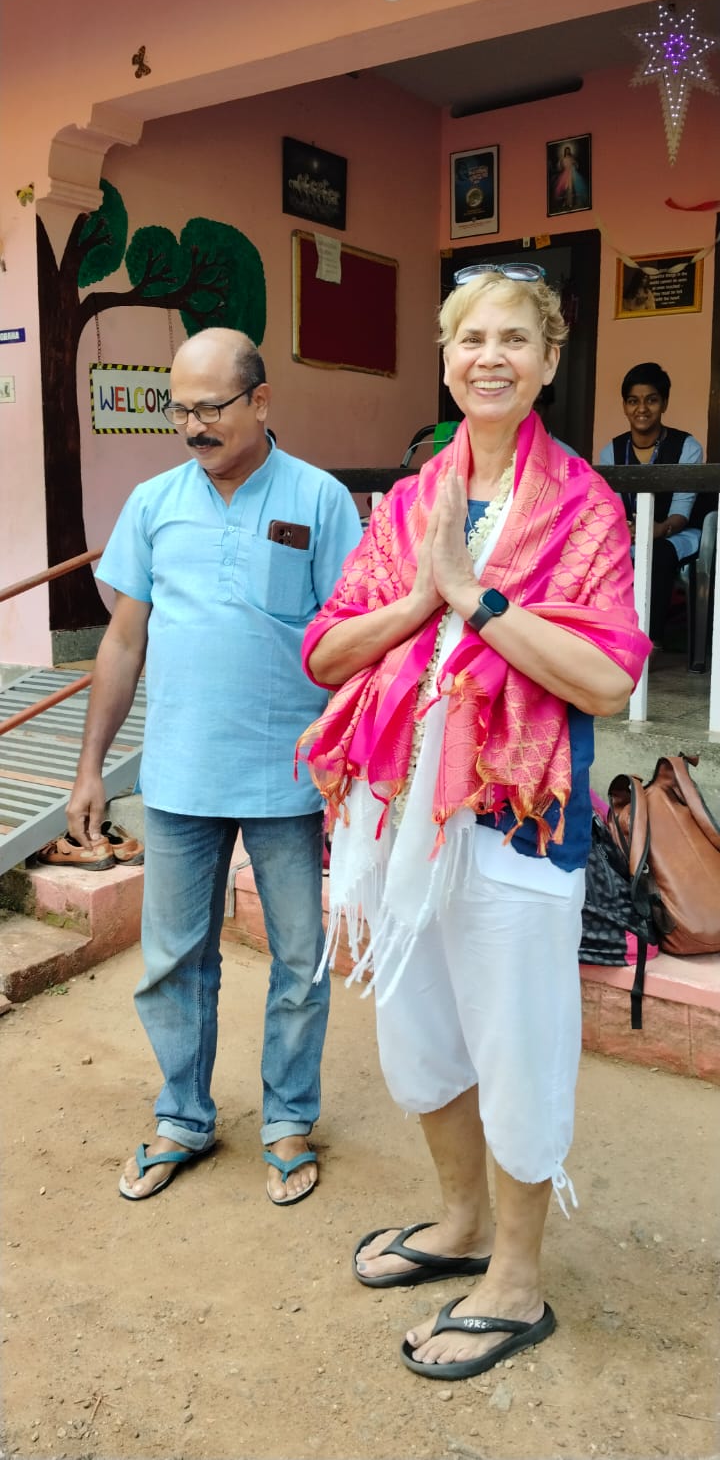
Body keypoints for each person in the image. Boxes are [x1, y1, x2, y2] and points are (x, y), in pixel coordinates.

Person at [298, 262, 650, 1381]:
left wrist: (477, 600)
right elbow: (324, 651)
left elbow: (601, 680)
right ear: (446, 359)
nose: (488, 355)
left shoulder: (586, 510)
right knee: (420, 1040)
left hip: (516, 822)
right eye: (469, 338)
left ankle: (518, 1280)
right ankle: (458, 1227)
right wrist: (423, 591)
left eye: (514, 338)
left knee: (517, 1047)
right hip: (400, 822)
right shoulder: (410, 505)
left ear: (548, 363)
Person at [66, 327, 361, 1205]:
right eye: (179, 408)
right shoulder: (155, 503)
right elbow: (123, 642)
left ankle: (287, 1119)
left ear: (261, 402)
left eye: (210, 407)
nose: (192, 426)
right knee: (172, 959)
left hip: (288, 774)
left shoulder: (320, 499)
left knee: (300, 959)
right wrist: (92, 769)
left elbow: (350, 639)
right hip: (182, 776)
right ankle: (184, 1116)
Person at [598, 362, 702, 644]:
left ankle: (649, 643)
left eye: (651, 400)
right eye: (633, 401)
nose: (641, 409)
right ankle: (607, 640)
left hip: (675, 533)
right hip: (628, 533)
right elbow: (612, 509)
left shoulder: (687, 446)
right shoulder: (612, 450)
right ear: (624, 406)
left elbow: (681, 512)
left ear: (664, 403)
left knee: (659, 555)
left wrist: (657, 530)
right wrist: (628, 530)